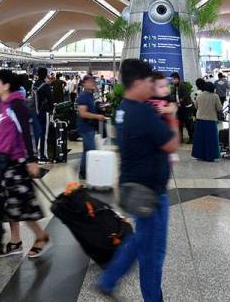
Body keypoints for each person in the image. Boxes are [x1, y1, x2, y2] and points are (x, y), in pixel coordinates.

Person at [98, 59, 179, 300]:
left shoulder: (122, 108)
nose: (151, 86)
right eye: (148, 81)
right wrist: (172, 117)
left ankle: (109, 279)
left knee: (141, 240)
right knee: (152, 255)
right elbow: (171, 143)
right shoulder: (143, 112)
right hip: (150, 192)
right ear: (137, 82)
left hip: (132, 186)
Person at [0, 69, 50, 259]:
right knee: (9, 205)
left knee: (23, 205)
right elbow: (6, 131)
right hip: (5, 163)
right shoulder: (3, 104)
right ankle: (15, 241)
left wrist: (32, 160)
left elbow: (27, 133)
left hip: (17, 163)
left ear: (6, 85)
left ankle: (41, 236)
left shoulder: (16, 104)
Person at [76, 76, 108, 180]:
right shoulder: (83, 96)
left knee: (87, 151)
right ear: (84, 84)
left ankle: (83, 172)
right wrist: (97, 116)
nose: (93, 83)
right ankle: (95, 175)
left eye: (93, 82)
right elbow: (82, 113)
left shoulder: (90, 95)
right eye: (90, 82)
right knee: (93, 151)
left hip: (89, 127)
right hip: (85, 128)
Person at [192, 81, 222, 162]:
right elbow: (219, 108)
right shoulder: (215, 96)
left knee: (200, 139)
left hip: (200, 120)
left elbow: (196, 106)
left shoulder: (199, 95)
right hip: (211, 120)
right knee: (211, 139)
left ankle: (199, 155)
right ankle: (210, 156)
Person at [32, 67, 53, 162]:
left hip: (34, 112)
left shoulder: (34, 85)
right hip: (44, 112)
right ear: (45, 75)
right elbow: (50, 99)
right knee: (44, 134)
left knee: (36, 133)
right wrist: (52, 110)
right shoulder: (46, 85)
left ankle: (35, 154)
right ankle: (42, 155)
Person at [171, 72, 194, 144]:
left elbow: (186, 95)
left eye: (173, 79)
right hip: (180, 107)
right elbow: (175, 96)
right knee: (179, 124)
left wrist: (180, 100)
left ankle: (192, 138)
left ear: (177, 79)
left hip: (186, 107)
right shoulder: (176, 87)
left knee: (188, 124)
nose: (173, 81)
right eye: (172, 79)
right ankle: (180, 138)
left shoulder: (182, 85)